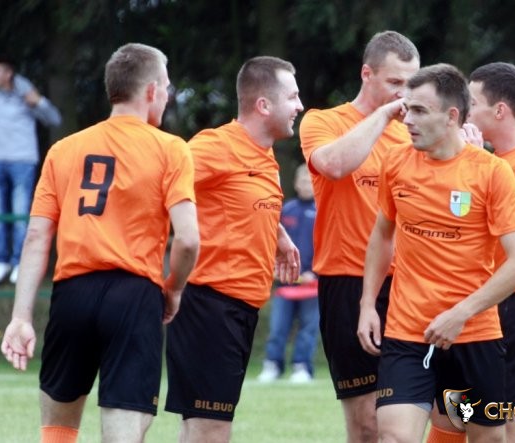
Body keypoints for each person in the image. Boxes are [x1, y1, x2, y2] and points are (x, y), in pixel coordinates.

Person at [0, 42, 200, 443]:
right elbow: (189, 240)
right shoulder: (170, 148)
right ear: (150, 91)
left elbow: (37, 236)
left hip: (72, 293)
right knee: (124, 428)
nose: (167, 94)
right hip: (134, 294)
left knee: (58, 427)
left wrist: (20, 317)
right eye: (165, 86)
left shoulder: (63, 150)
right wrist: (174, 288)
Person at [357, 63, 515, 443]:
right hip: (407, 333)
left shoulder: (492, 172)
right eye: (407, 109)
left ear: (452, 116)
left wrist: (460, 314)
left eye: (420, 110)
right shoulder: (396, 162)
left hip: (474, 335)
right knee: (394, 437)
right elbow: (382, 235)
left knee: (488, 438)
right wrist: (368, 304)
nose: (408, 120)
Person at [165, 56, 302, 443]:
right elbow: (160, 183)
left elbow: (238, 198)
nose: (300, 105)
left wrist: (277, 233)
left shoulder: (264, 152)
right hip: (209, 305)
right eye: (292, 96)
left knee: (204, 427)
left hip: (238, 308)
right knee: (210, 429)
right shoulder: (216, 146)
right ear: (264, 105)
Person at [426, 62, 515, 443]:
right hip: (481, 302)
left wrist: (474, 164)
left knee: (504, 422)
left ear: (500, 110)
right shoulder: (486, 162)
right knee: (453, 411)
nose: (463, 112)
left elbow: (494, 225)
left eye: (472, 103)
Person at [298, 30, 420, 442]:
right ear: (367, 74)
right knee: (366, 423)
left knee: (413, 419)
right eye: (395, 82)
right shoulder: (323, 121)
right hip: (347, 281)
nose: (404, 94)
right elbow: (334, 165)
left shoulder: (414, 135)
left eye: (411, 84)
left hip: (409, 285)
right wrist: (382, 117)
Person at [0, 54, 62, 285]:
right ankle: (1, 262)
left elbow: (55, 119)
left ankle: (19, 262)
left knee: (19, 216)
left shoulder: (25, 96)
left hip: (23, 162)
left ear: (8, 73)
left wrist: (39, 101)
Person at [257, 162, 319, 383]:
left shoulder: (321, 210)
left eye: (310, 181)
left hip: (311, 285)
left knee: (308, 329)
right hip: (285, 283)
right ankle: (272, 365)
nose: (306, 185)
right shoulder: (286, 210)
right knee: (278, 328)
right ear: (295, 183)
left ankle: (302, 367)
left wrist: (315, 273)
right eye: (302, 181)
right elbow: (272, 241)